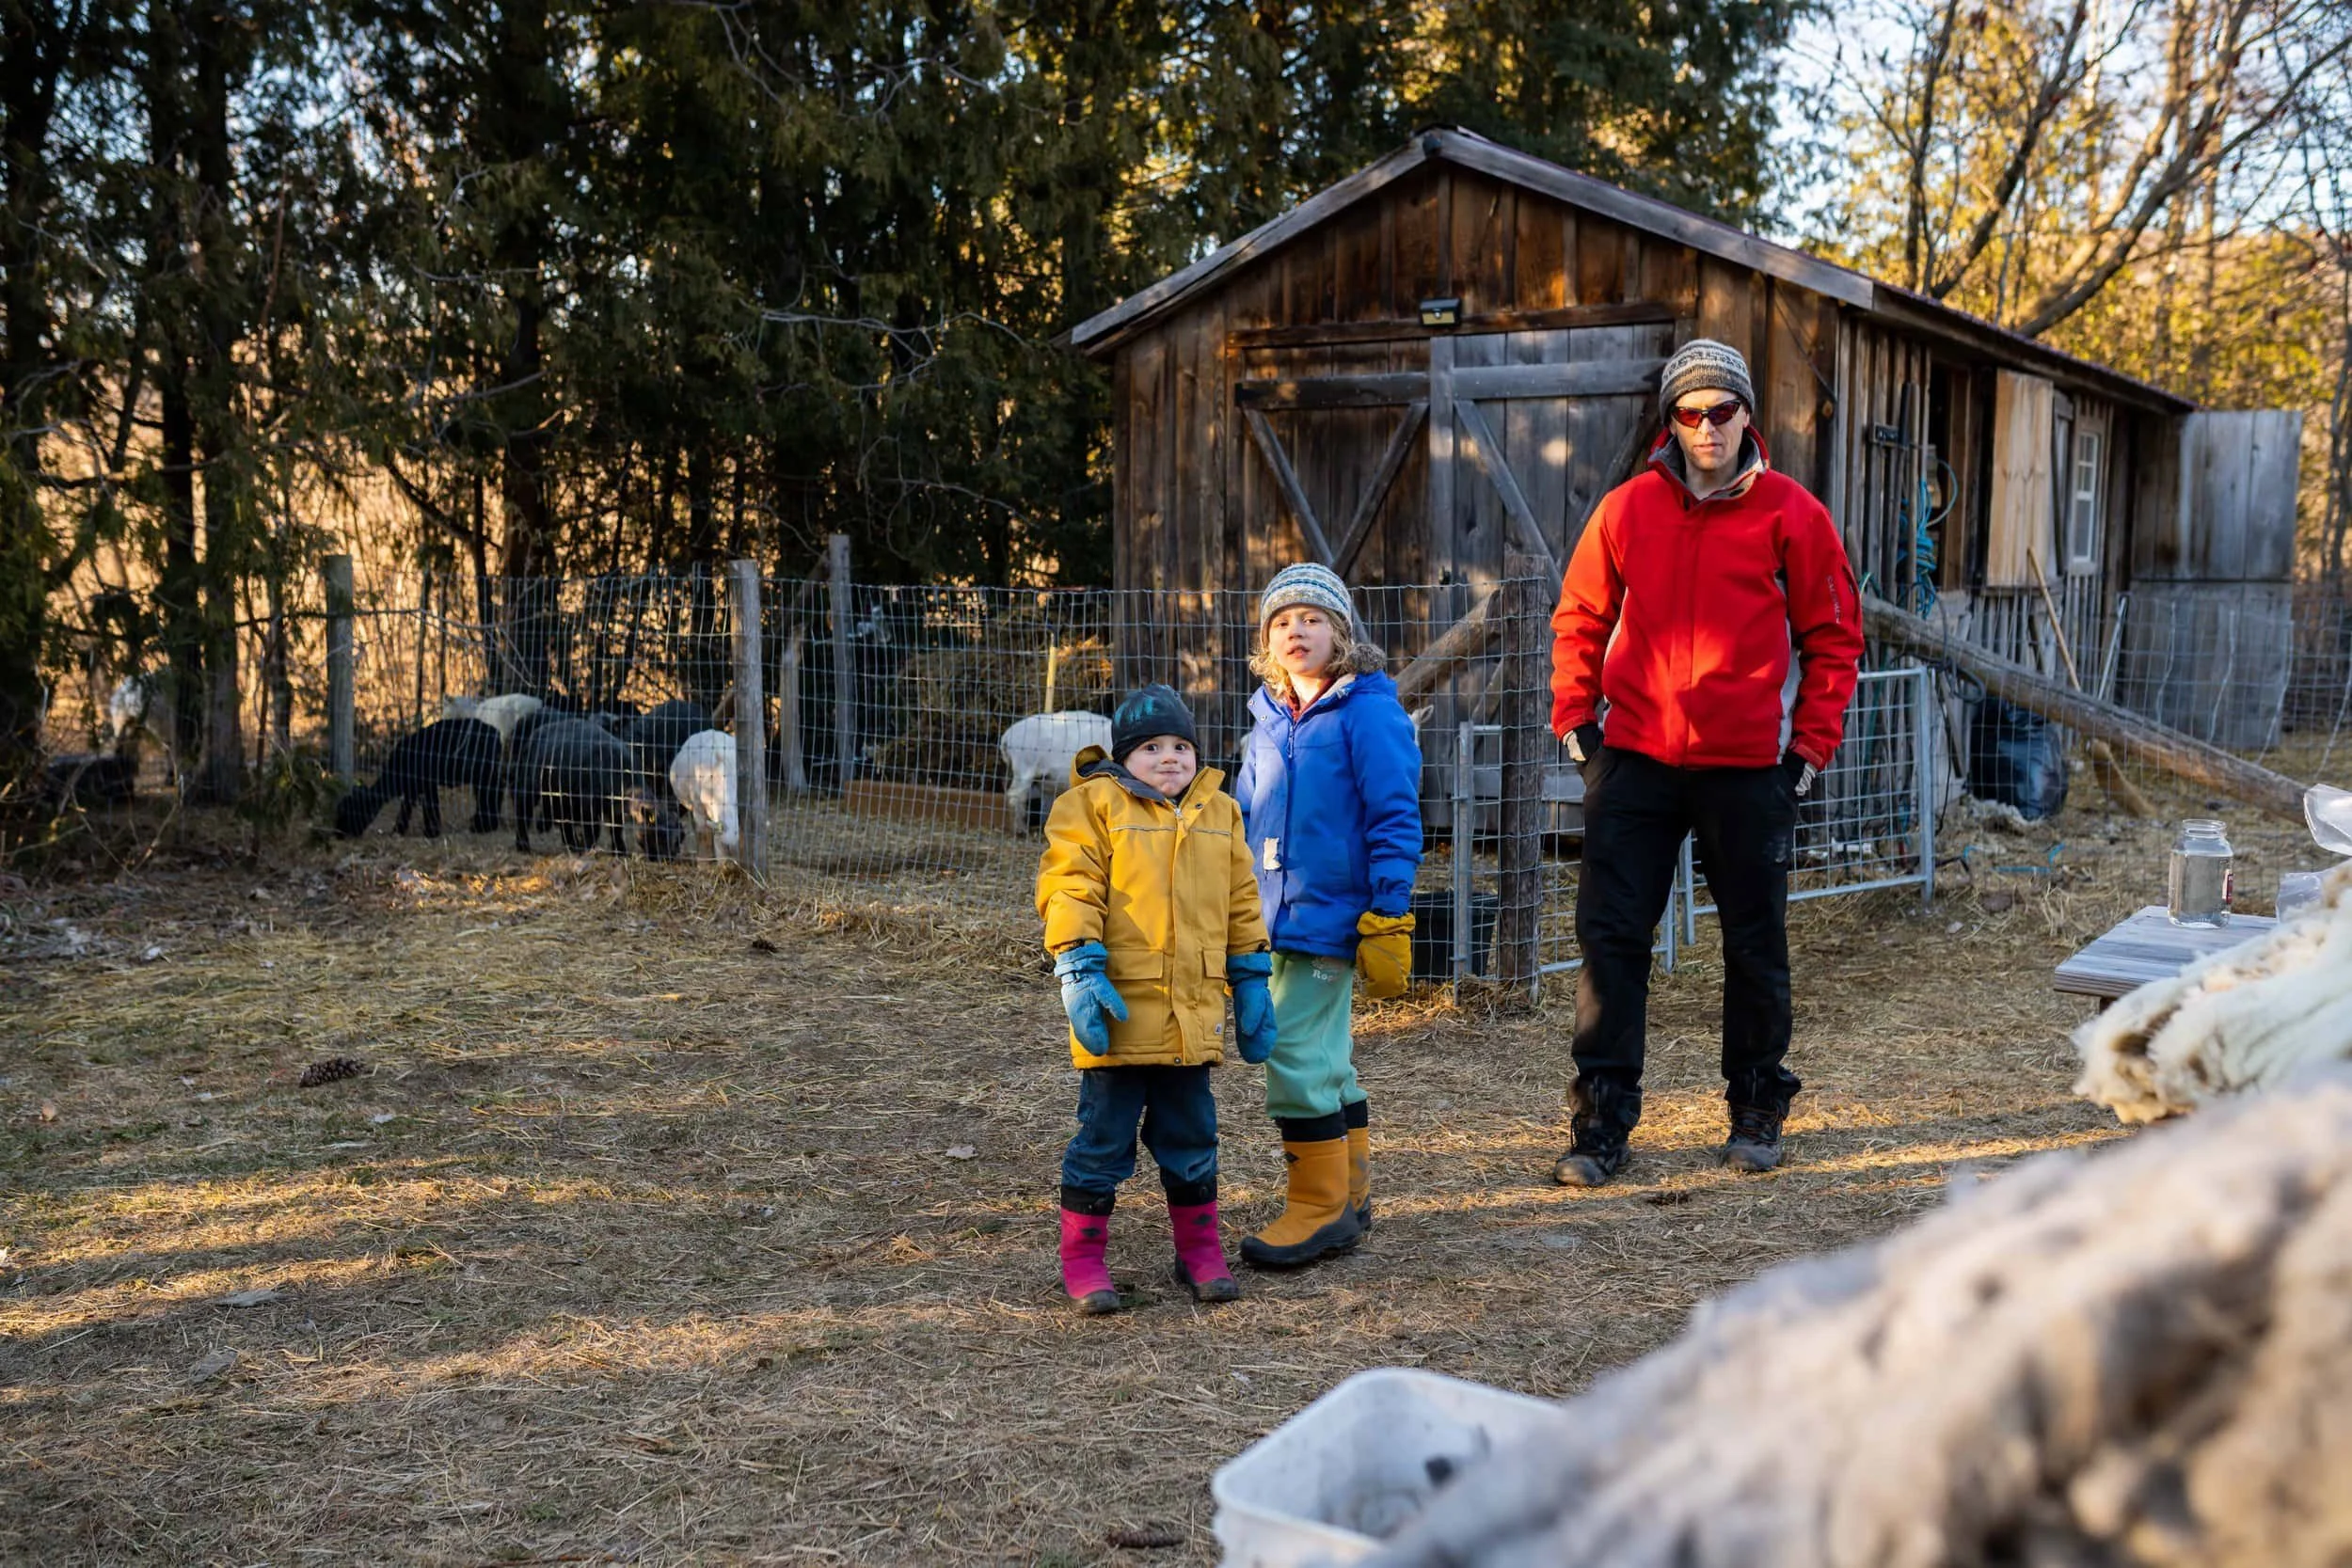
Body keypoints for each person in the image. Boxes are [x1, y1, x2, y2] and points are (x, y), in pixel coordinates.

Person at [1548, 338, 1864, 1186]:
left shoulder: (1793, 513)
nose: (1707, 425)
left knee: (1755, 945)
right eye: (1690, 412)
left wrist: (1808, 753)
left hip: (1749, 768)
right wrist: (1577, 725)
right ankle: (1601, 1122)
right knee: (1612, 943)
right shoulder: (1625, 511)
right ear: (1671, 423)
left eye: (1722, 410)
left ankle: (1757, 1106)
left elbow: (1834, 637)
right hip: (1638, 761)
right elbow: (1579, 616)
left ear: (1747, 415)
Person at [1035, 684, 1277, 1313]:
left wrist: (1250, 978)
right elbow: (1070, 884)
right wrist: (1078, 965)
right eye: (1151, 748)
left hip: (1191, 1016)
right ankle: (1083, 1258)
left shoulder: (1220, 812)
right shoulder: (1091, 805)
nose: (1169, 757)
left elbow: (1242, 899)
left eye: (1180, 745)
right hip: (1117, 1017)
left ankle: (1198, 1251)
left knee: (1193, 1134)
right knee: (1102, 1140)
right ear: (1122, 757)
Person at [1233, 563, 1422, 1269]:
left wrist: (1389, 908)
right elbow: (1247, 815)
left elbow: (1396, 812)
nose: (1296, 630)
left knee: (1291, 1049)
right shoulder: (1267, 716)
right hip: (1271, 915)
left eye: (1312, 618)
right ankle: (1351, 1191)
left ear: (1341, 633)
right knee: (1327, 1056)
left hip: (1329, 915)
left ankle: (1320, 1209)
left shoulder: (1368, 711)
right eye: (1282, 621)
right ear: (1266, 641)